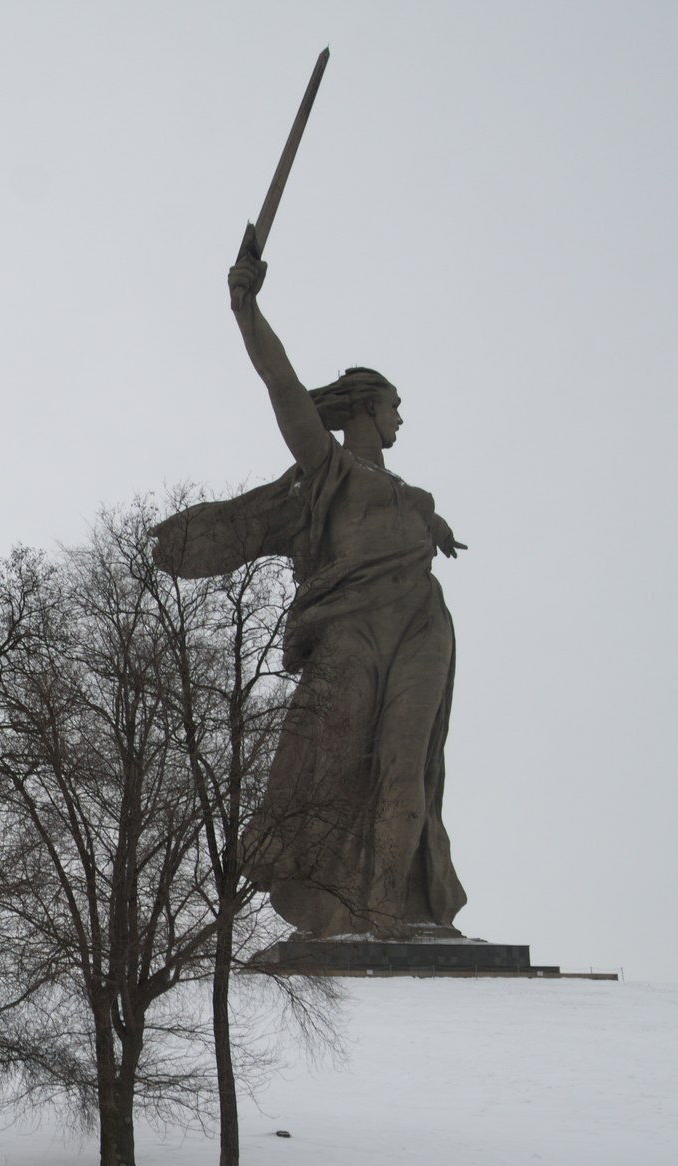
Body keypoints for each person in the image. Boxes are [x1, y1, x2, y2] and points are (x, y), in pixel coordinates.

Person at [157, 246, 469, 939]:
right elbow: (282, 385)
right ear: (366, 407)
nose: (400, 419)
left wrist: (434, 528)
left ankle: (391, 913)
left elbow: (414, 521)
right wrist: (246, 308)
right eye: (394, 407)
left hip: (422, 625)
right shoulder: (329, 469)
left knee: (408, 767)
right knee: (332, 765)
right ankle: (342, 910)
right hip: (352, 630)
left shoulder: (415, 495)